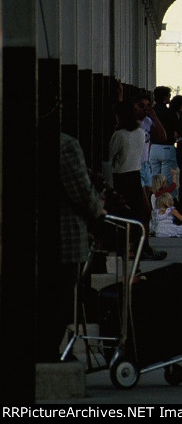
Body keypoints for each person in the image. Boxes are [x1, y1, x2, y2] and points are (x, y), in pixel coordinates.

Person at [55, 133, 107, 360]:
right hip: (64, 238)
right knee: (62, 298)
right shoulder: (64, 145)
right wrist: (99, 210)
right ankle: (49, 349)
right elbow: (81, 192)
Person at [110, 101, 166, 261]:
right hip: (136, 174)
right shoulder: (141, 134)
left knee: (123, 214)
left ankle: (129, 248)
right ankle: (141, 247)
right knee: (142, 211)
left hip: (121, 175)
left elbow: (111, 154)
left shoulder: (119, 135)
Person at [150, 86, 179, 200]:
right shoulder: (169, 112)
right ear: (165, 97)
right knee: (167, 178)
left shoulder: (151, 111)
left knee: (155, 178)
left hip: (153, 148)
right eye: (168, 95)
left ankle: (154, 202)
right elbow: (176, 133)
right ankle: (167, 203)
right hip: (167, 148)